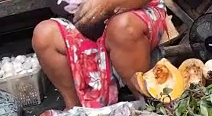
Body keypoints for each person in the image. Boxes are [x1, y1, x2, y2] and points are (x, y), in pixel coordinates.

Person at [32, 0, 167, 109]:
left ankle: (148, 104)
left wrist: (107, 3)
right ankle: (77, 112)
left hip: (133, 12)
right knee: (44, 35)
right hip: (83, 27)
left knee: (123, 28)